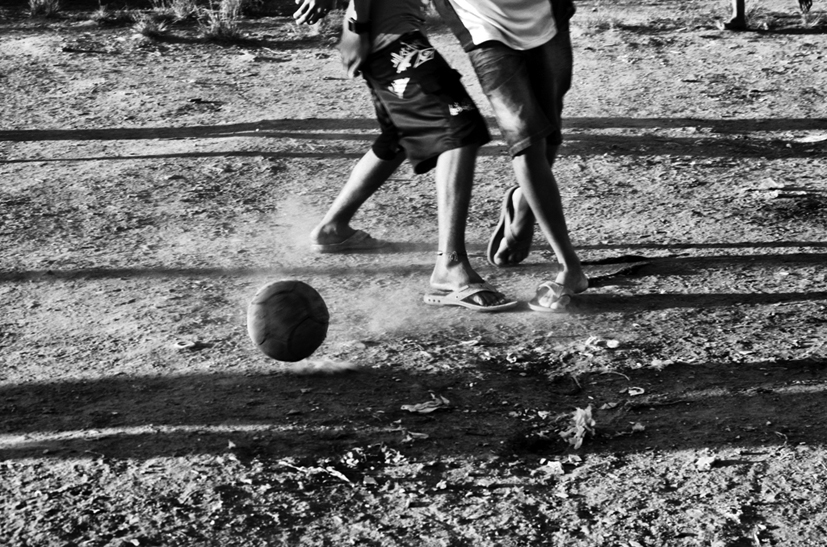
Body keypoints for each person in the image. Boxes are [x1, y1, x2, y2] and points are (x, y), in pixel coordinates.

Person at [295, 0, 516, 312]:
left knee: (399, 135)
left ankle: (333, 228)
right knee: (459, 127)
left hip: (390, 34)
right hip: (391, 39)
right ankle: (450, 268)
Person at [430, 0, 589, 312]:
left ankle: (524, 204)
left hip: (544, 10)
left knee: (549, 131)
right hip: (482, 19)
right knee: (526, 137)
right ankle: (570, 268)